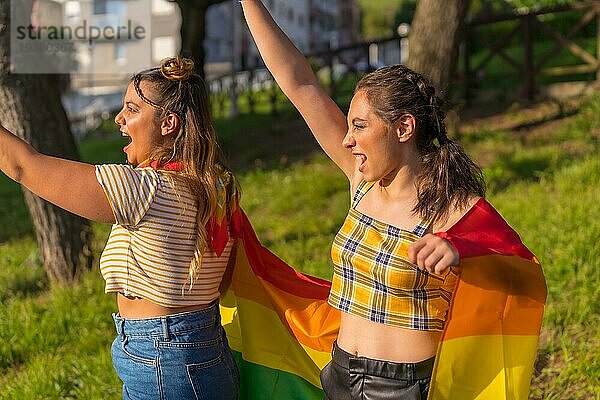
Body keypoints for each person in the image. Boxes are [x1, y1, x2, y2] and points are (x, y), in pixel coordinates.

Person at [240, 1, 488, 398]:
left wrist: (460, 246)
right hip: (338, 373)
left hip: (403, 387)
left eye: (360, 126)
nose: (346, 139)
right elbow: (299, 82)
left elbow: (509, 257)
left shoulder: (452, 206)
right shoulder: (362, 182)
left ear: (403, 127)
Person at [0, 56, 239, 400]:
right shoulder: (216, 187)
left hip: (164, 357)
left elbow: (24, 166)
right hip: (206, 350)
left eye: (132, 109)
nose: (119, 118)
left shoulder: (146, 189)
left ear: (168, 123)